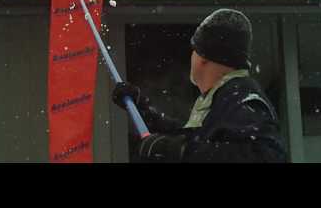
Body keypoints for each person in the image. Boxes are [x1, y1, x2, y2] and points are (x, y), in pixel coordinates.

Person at [112, 8, 287, 163]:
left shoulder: (240, 98)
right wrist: (142, 109)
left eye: (193, 50)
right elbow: (195, 138)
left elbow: (265, 156)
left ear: (203, 57)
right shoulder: (224, 97)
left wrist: (180, 150)